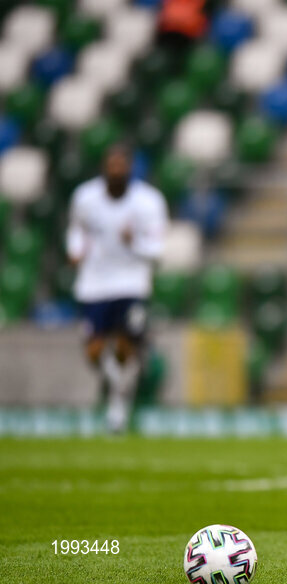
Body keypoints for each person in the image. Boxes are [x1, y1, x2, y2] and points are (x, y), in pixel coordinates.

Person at [66, 144, 168, 433]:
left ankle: (117, 408)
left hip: (131, 282)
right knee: (95, 352)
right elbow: (76, 229)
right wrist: (75, 250)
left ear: (130, 169)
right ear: (103, 168)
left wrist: (132, 242)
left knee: (125, 347)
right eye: (112, 166)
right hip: (94, 284)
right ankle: (118, 390)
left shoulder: (149, 202)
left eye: (121, 167)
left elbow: (157, 249)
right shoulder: (85, 197)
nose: (116, 172)